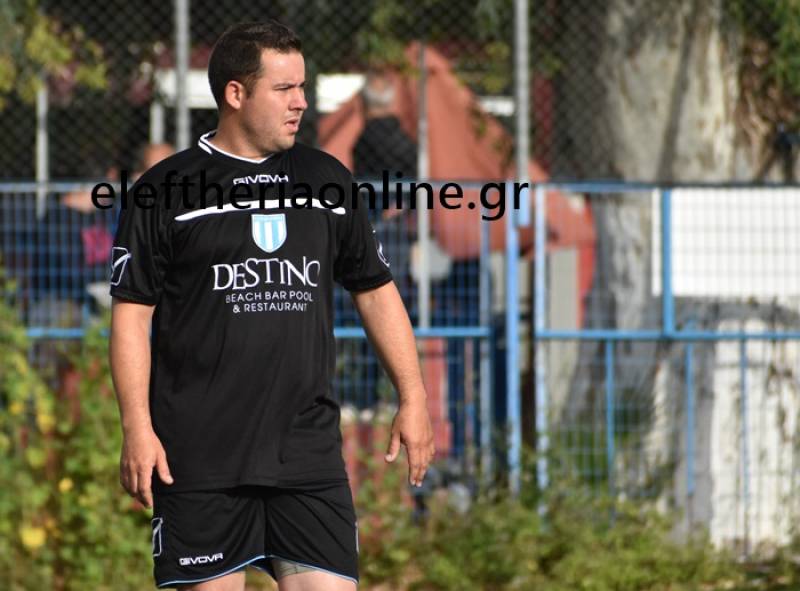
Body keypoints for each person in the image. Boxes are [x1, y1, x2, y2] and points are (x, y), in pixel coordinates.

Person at [108, 20, 434, 591]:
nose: (300, 102)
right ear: (236, 93)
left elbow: (376, 292)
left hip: (306, 455)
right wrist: (137, 427)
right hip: (198, 460)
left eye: (302, 87)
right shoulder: (165, 190)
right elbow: (131, 317)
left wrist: (414, 397)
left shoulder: (327, 182)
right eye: (284, 89)